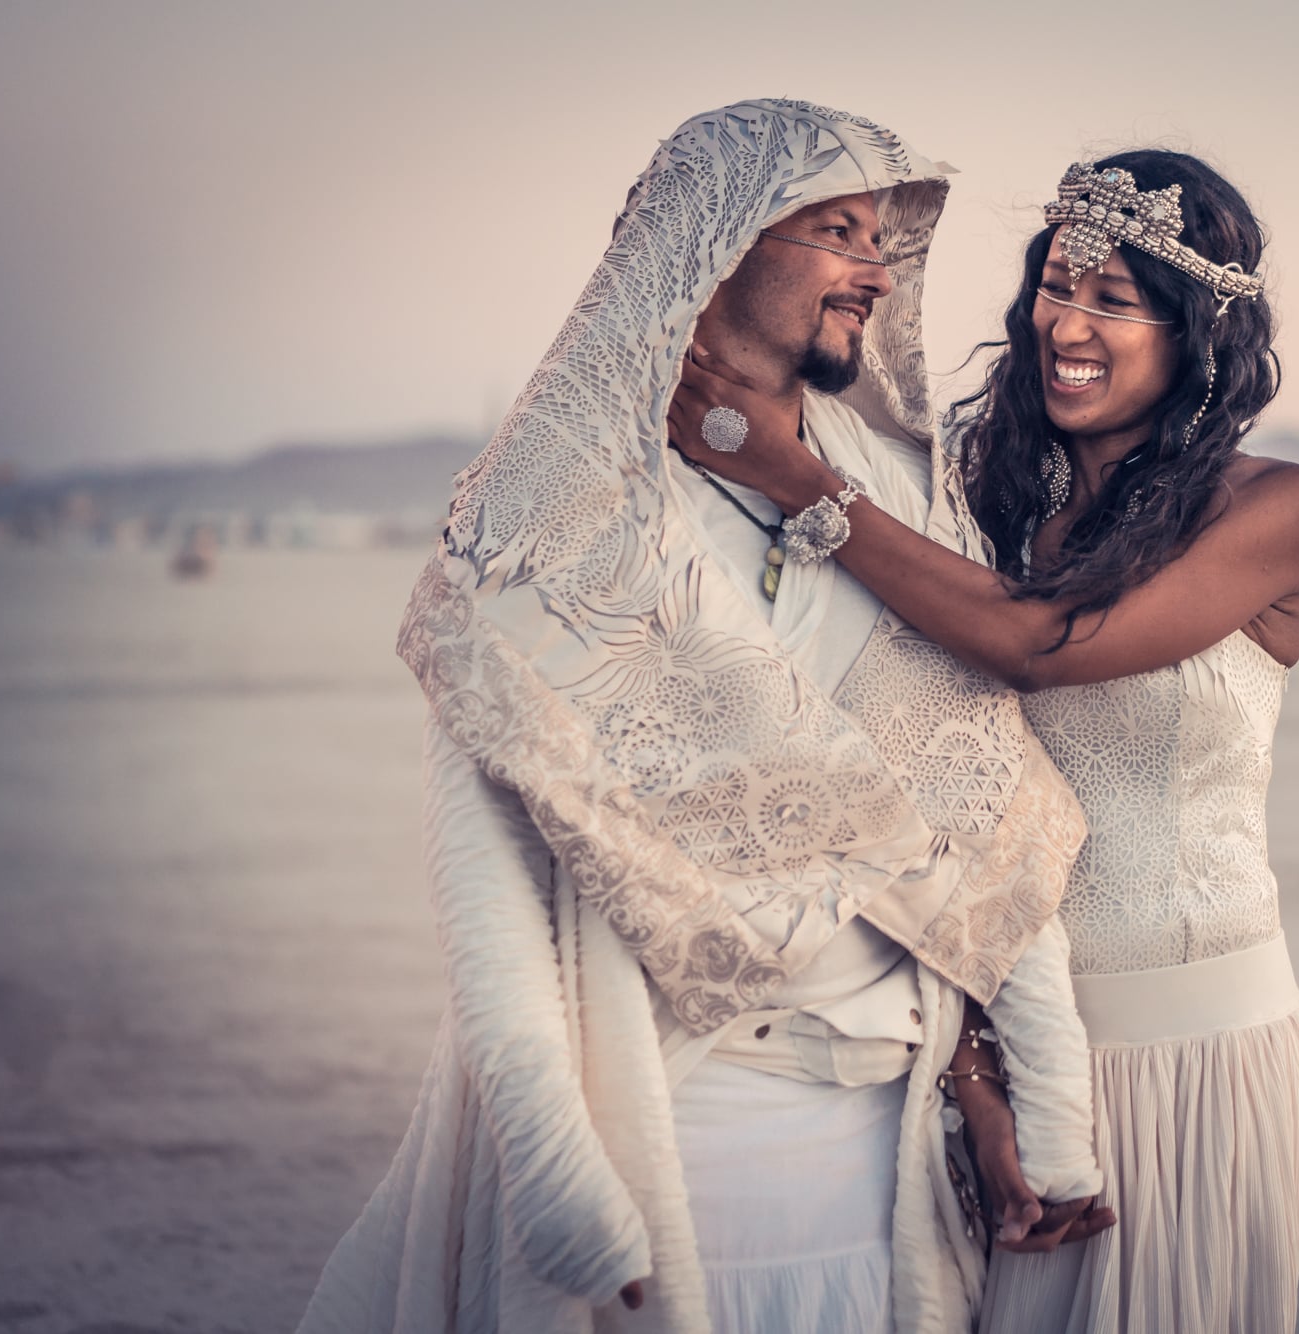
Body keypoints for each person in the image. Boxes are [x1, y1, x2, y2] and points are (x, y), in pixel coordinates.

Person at [297, 99, 1110, 1334]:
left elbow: (983, 802)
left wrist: (1053, 1101)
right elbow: (490, 879)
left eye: (881, 238)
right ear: (718, 238)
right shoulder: (554, 506)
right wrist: (564, 1174)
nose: (873, 270)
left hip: (880, 1160)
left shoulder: (893, 492)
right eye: (837, 230)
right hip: (678, 1125)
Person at [670, 149, 1299, 1332]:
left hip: (1206, 1048)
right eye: (1054, 285)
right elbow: (942, 799)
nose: (1063, 323)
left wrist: (790, 477)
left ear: (1194, 338)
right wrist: (976, 1075)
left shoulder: (1272, 508)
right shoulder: (973, 503)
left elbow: (1038, 643)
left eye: (1113, 302)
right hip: (1022, 1048)